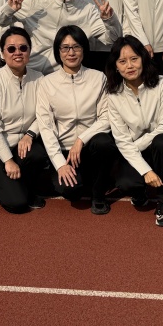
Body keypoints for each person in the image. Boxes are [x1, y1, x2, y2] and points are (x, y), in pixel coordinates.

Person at [35, 26, 118, 214]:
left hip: (90, 146)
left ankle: (98, 194)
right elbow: (46, 127)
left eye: (76, 47)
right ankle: (83, 176)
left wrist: (81, 140)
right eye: (65, 48)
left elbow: (107, 117)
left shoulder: (98, 78)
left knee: (104, 142)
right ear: (58, 51)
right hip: (65, 151)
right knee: (71, 191)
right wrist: (60, 164)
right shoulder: (46, 83)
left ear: (84, 49)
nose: (71, 53)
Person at [105, 36, 163, 227]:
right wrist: (146, 170)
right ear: (115, 66)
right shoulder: (113, 94)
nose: (129, 66)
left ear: (143, 58)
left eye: (134, 59)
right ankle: (140, 189)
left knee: (161, 140)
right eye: (122, 61)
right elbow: (121, 139)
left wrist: (133, 147)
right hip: (135, 151)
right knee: (126, 184)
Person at [11, 0, 121, 74]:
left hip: (67, 76)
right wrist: (9, 9)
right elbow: (0, 20)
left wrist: (109, 20)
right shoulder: (36, 1)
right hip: (33, 73)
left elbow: (112, 39)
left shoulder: (88, 10)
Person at [0, 27, 48, 213]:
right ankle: (0, 181)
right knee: (17, 204)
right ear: (2, 54)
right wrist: (8, 160)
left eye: (23, 48)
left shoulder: (39, 78)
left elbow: (44, 114)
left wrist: (30, 134)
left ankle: (23, 186)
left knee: (38, 154)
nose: (18, 52)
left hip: (22, 143)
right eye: (11, 49)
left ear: (29, 51)